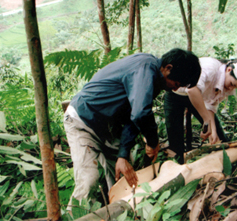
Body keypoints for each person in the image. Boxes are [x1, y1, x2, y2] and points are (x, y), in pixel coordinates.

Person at [63, 48, 201, 201]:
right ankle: (76, 215)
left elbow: (132, 116)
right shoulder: (145, 68)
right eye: (175, 83)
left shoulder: (153, 78)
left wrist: (122, 156)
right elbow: (140, 113)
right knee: (89, 180)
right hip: (83, 121)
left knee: (124, 178)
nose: (174, 89)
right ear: (168, 68)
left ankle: (115, 211)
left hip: (107, 129)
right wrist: (152, 141)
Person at [164, 57, 237, 164]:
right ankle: (177, 168)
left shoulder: (226, 84)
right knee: (175, 142)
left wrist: (213, 131)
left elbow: (211, 105)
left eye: (235, 87)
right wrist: (206, 120)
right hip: (176, 94)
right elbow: (192, 89)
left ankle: (225, 163)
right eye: (232, 84)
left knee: (221, 139)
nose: (230, 88)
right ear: (229, 70)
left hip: (198, 97)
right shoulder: (210, 67)